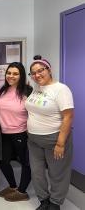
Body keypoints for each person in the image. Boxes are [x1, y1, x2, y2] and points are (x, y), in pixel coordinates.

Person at [25, 55, 74, 210]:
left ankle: (55, 203)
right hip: (33, 139)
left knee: (57, 173)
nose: (37, 75)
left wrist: (60, 143)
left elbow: (68, 116)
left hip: (54, 139)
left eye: (40, 70)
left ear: (49, 69)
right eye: (33, 73)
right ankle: (43, 199)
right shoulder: (36, 88)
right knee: (37, 172)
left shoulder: (61, 89)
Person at [0, 62, 33, 202]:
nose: (11, 76)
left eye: (15, 73)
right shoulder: (2, 90)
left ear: (21, 75)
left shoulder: (27, 91)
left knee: (25, 162)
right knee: (2, 161)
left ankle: (22, 191)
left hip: (21, 133)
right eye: (9, 73)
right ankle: (12, 186)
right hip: (4, 133)